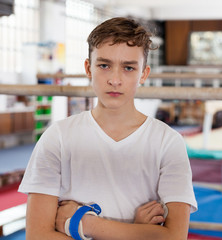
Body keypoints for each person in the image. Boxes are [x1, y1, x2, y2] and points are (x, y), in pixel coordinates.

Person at [19, 17, 197, 240]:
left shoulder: (168, 143)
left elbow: (173, 237)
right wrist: (137, 232)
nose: (115, 79)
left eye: (128, 68)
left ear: (144, 73)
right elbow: (37, 236)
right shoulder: (58, 138)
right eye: (104, 65)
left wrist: (84, 224)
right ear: (88, 68)